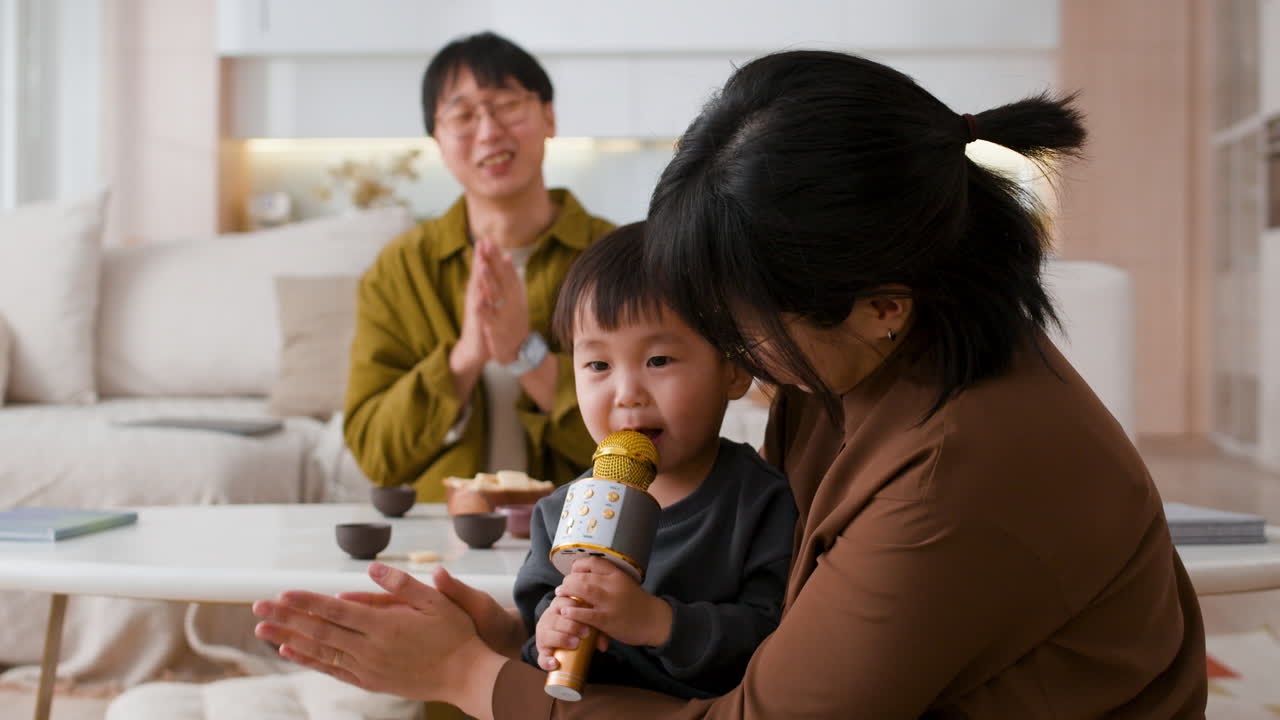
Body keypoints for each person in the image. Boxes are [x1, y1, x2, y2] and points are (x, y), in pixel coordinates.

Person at [253, 50, 1208, 718]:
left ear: (882, 304)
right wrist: (508, 635)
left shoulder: (955, 472)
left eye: (731, 319)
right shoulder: (864, 364)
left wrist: (465, 678)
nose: (721, 347)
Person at [514, 222, 797, 699]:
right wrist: (549, 632)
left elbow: (773, 639)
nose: (627, 394)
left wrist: (658, 623)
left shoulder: (762, 502)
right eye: (599, 365)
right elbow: (531, 624)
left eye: (659, 360)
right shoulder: (564, 510)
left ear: (733, 369)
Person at [344, 31, 614, 502]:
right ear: (437, 138)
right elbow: (376, 454)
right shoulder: (400, 270)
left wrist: (523, 355)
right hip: (441, 540)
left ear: (548, 116)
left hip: (587, 536)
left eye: (506, 104)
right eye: (463, 115)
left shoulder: (616, 257)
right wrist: (465, 356)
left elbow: (648, 440)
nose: (488, 131)